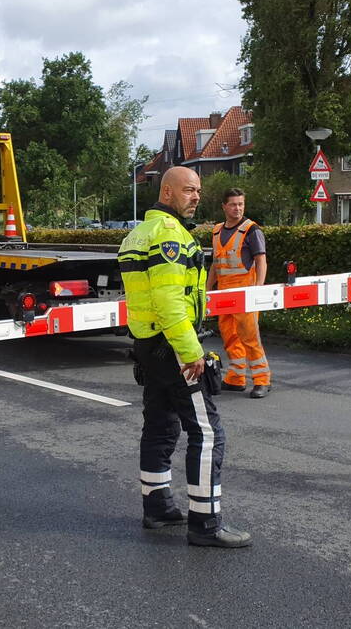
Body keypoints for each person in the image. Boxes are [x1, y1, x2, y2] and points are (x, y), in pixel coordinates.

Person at [118, 166, 252, 547]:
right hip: (174, 347)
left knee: (160, 425)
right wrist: (192, 351)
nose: (196, 197)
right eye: (189, 190)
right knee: (208, 433)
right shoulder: (169, 236)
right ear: (167, 192)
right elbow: (169, 301)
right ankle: (206, 523)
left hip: (149, 346)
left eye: (198, 191)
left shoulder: (138, 233)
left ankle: (157, 506)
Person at [207, 188, 271, 398]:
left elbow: (261, 260)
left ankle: (262, 381)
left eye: (241, 204)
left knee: (250, 337)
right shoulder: (216, 231)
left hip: (245, 294)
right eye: (233, 204)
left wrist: (258, 289)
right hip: (224, 294)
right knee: (229, 336)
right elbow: (216, 264)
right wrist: (208, 289)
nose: (238, 208)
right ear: (224, 206)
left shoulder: (252, 230)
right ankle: (235, 379)